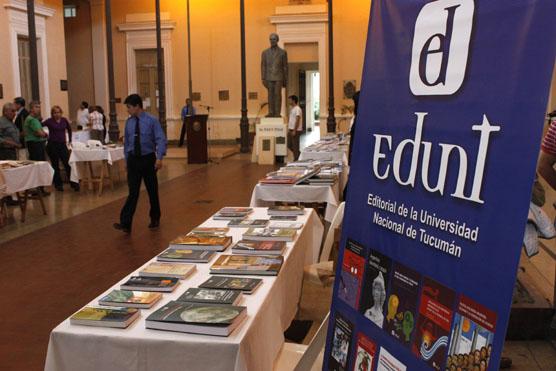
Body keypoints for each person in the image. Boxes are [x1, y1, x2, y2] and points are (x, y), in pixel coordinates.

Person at [114, 94, 167, 233]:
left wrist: (159, 157)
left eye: (129, 107)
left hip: (148, 159)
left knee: (152, 190)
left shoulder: (151, 121)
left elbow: (160, 139)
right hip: (133, 160)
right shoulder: (129, 122)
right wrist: (127, 160)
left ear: (137, 106)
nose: (127, 110)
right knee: (133, 192)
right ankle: (126, 223)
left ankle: (155, 217)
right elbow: (127, 144)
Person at [42, 106, 79, 192]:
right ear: (52, 114)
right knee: (55, 165)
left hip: (62, 145)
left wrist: (70, 140)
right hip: (52, 145)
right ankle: (58, 185)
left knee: (67, 164)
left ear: (61, 113)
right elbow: (39, 125)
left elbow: (69, 129)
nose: (57, 114)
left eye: (58, 112)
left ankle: (74, 183)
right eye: (55, 112)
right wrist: (44, 134)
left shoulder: (64, 120)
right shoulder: (49, 121)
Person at [24, 101, 49, 195]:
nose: (38, 108)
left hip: (35, 144)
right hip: (35, 145)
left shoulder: (34, 119)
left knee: (39, 166)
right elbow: (40, 133)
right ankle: (38, 189)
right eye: (36, 107)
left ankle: (40, 189)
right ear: (31, 109)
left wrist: (42, 134)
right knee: (38, 166)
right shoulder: (32, 119)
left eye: (39, 107)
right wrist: (45, 134)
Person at [261, 33, 288, 117]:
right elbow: (263, 65)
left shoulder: (283, 52)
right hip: (269, 77)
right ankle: (271, 112)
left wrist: (285, 79)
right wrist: (263, 77)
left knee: (277, 95)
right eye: (271, 39)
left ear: (277, 40)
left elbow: (285, 67)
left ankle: (277, 113)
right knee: (270, 95)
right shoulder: (265, 52)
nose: (272, 41)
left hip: (279, 77)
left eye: (274, 39)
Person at [288, 95, 303, 160]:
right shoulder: (293, 109)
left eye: (290, 100)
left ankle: (296, 159)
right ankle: (300, 155)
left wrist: (294, 130)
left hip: (296, 130)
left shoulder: (297, 109)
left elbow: (297, 119)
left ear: (293, 100)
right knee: (289, 144)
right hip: (291, 129)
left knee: (295, 146)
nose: (289, 101)